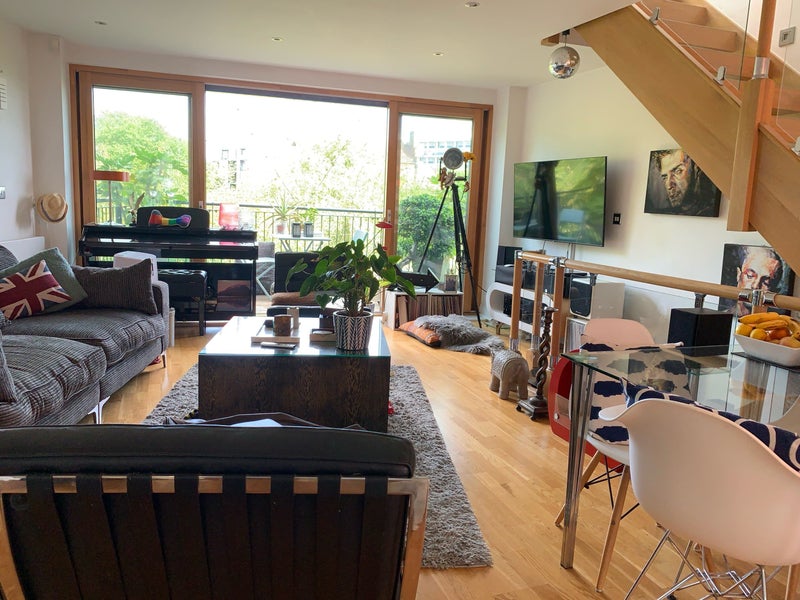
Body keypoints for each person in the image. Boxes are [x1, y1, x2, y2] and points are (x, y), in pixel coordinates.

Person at [649, 149, 719, 217]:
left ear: (696, 170)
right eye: (665, 177)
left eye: (678, 171)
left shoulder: (709, 211)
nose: (669, 186)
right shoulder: (665, 215)